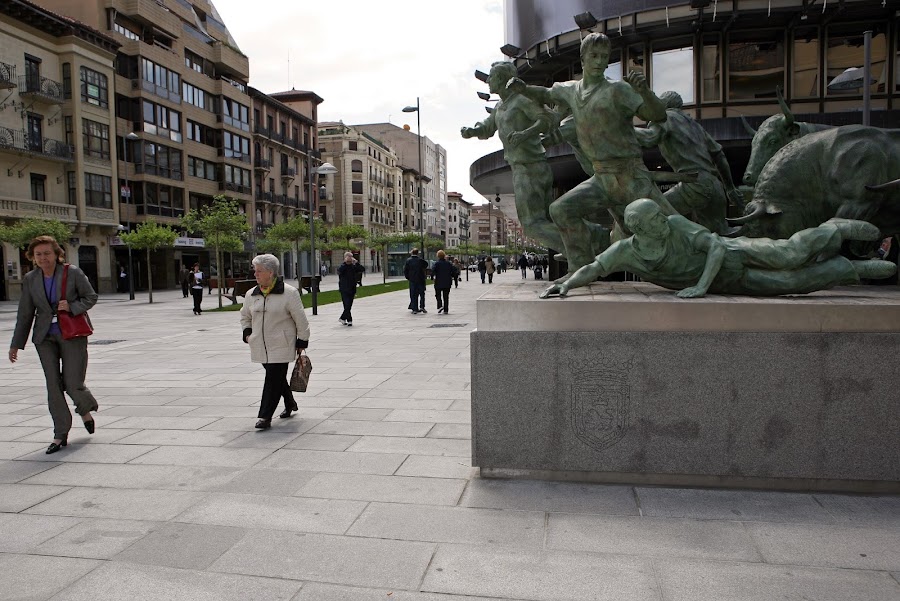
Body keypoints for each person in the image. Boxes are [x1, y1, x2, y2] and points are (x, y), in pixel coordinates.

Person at [507, 32, 677, 280]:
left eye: (604, 57)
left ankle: (704, 256)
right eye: (594, 56)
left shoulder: (618, 90)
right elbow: (545, 94)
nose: (599, 62)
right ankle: (578, 267)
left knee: (671, 223)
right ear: (583, 59)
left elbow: (658, 115)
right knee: (561, 210)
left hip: (630, 174)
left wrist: (645, 92)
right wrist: (524, 88)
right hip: (601, 177)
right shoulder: (571, 90)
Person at [541, 198, 897, 299]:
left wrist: (700, 287)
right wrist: (567, 283)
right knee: (791, 284)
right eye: (656, 219)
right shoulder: (626, 250)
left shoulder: (677, 225)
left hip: (733, 252)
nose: (664, 220)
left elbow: (713, 246)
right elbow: (594, 268)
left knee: (790, 254)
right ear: (639, 227)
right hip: (729, 282)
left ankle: (833, 231)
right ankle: (852, 270)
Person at [462, 61, 565, 253]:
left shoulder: (522, 100)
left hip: (531, 167)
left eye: (491, 77)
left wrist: (525, 133)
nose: (488, 81)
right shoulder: (501, 106)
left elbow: (548, 120)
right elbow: (487, 127)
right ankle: (577, 249)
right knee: (543, 219)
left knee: (532, 224)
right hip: (522, 167)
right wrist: (472, 131)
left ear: (501, 79)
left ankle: (577, 250)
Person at [9, 236, 99, 454]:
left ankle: (85, 410)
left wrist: (71, 306)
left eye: (47, 253)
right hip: (44, 337)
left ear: (56, 254)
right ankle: (60, 433)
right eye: (38, 254)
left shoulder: (73, 272)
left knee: (72, 382)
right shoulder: (31, 278)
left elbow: (91, 297)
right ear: (32, 257)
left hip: (72, 334)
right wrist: (15, 344)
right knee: (53, 384)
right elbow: (25, 312)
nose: (43, 258)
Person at [634, 91, 744, 234]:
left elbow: (649, 138)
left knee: (648, 212)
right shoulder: (696, 126)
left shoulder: (664, 118)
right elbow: (719, 156)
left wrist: (622, 129)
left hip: (693, 185)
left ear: (663, 105)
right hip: (715, 185)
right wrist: (729, 187)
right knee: (721, 236)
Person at [240, 254, 310, 429]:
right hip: (259, 346)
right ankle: (290, 402)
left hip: (282, 345)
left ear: (270, 273)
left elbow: (301, 319)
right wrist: (248, 333)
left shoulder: (289, 293)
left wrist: (302, 341)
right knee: (277, 377)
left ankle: (265, 416)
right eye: (254, 270)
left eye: (259, 271)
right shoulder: (251, 294)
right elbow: (245, 316)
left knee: (272, 378)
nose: (255, 274)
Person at [337, 251, 365, 326]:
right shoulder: (342, 266)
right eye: (348, 257)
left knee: (349, 305)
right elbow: (339, 271)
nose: (350, 258)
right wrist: (345, 263)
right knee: (347, 304)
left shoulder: (354, 266)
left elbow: (362, 269)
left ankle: (344, 319)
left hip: (352, 288)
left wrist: (357, 262)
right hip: (344, 288)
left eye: (351, 257)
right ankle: (348, 319)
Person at [431, 250, 456, 314]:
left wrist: (432, 277)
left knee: (438, 295)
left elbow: (433, 271)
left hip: (438, 281)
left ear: (438, 256)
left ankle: (440, 305)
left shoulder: (436, 264)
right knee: (446, 296)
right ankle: (446, 309)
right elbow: (453, 271)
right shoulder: (448, 263)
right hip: (447, 282)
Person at [403, 248, 428, 314]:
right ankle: (422, 306)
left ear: (412, 253)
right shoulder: (420, 260)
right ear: (417, 253)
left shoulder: (408, 261)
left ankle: (415, 308)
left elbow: (405, 270)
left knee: (413, 294)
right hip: (420, 279)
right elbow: (426, 264)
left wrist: (408, 277)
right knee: (422, 293)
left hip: (412, 280)